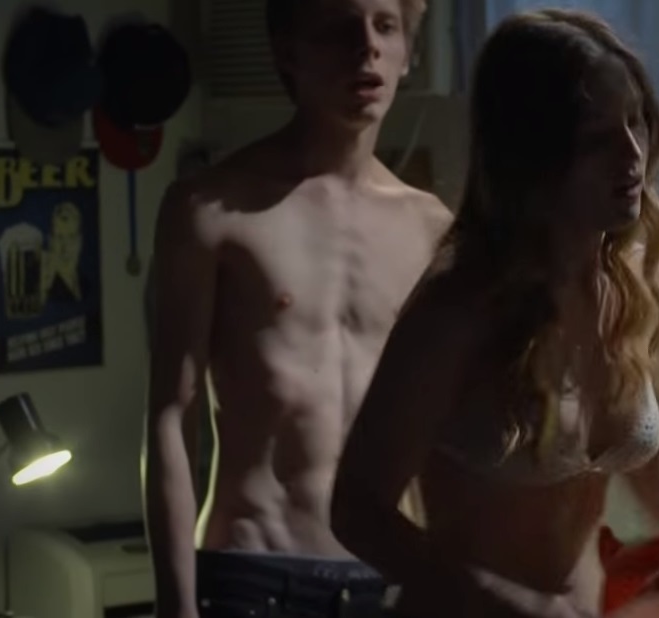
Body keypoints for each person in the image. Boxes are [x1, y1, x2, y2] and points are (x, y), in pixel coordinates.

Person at [331, 9, 659, 618]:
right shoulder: (460, 307)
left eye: (636, 119)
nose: (632, 153)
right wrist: (499, 606)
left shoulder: (641, 287)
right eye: (597, 136)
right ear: (532, 152)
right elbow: (356, 509)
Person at [142, 0, 451, 616]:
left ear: (407, 53)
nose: (367, 47)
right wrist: (177, 606)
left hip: (387, 582)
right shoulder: (210, 209)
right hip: (253, 572)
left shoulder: (433, 229)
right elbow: (170, 419)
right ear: (288, 50)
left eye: (385, 26)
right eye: (341, 27)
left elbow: (441, 439)